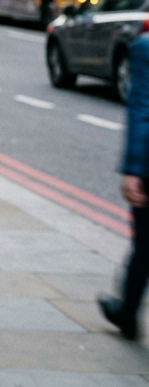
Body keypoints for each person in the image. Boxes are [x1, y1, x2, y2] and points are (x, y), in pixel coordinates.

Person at [98, 33, 149, 339]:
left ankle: (127, 313)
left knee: (145, 243)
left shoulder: (145, 48)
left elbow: (142, 108)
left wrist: (133, 169)